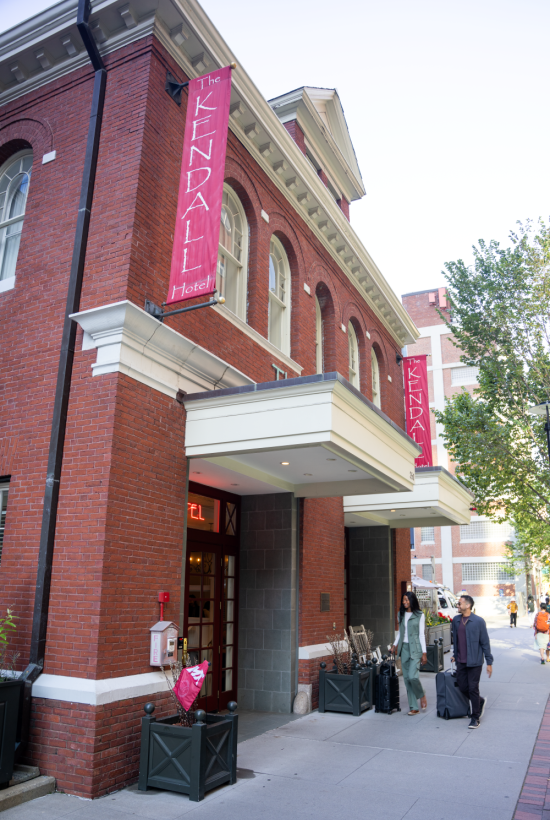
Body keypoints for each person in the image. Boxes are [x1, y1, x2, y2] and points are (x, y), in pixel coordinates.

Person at [451, 595, 493, 729]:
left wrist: (489, 662)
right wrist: (454, 655)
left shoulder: (479, 621)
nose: (457, 605)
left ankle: (475, 718)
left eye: (459, 603)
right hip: (461, 661)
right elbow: (456, 641)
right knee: (463, 687)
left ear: (467, 605)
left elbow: (485, 643)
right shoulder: (456, 620)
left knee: (473, 688)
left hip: (475, 661)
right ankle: (479, 702)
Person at [390, 592, 428, 715]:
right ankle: (414, 707)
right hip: (404, 649)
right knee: (406, 679)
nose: (404, 602)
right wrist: (394, 645)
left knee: (413, 677)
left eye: (407, 600)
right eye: (403, 600)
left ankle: (421, 694)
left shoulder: (419, 615)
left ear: (412, 600)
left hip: (416, 649)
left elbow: (422, 635)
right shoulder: (400, 614)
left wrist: (424, 653)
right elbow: (400, 633)